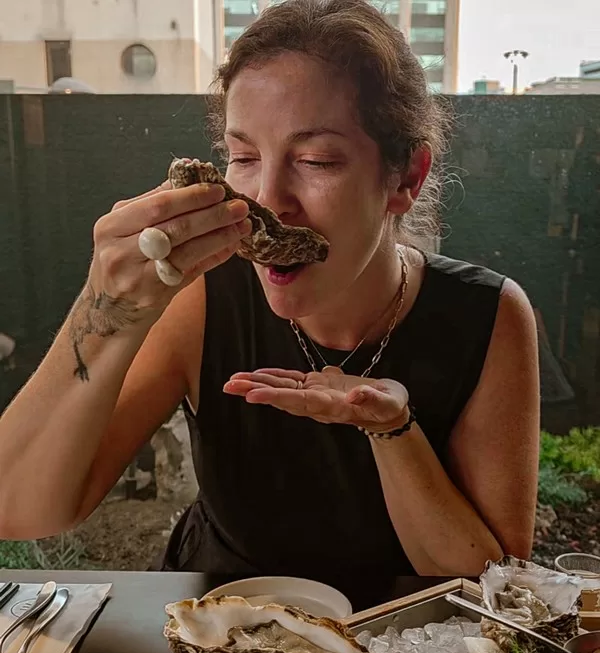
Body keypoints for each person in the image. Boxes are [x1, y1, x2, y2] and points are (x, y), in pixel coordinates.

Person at [0, 0, 539, 586]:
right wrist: (106, 311)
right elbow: (20, 508)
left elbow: (494, 583)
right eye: (244, 157)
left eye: (316, 160)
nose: (269, 199)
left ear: (405, 178)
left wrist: (392, 429)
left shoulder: (487, 317)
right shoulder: (201, 294)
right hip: (217, 630)